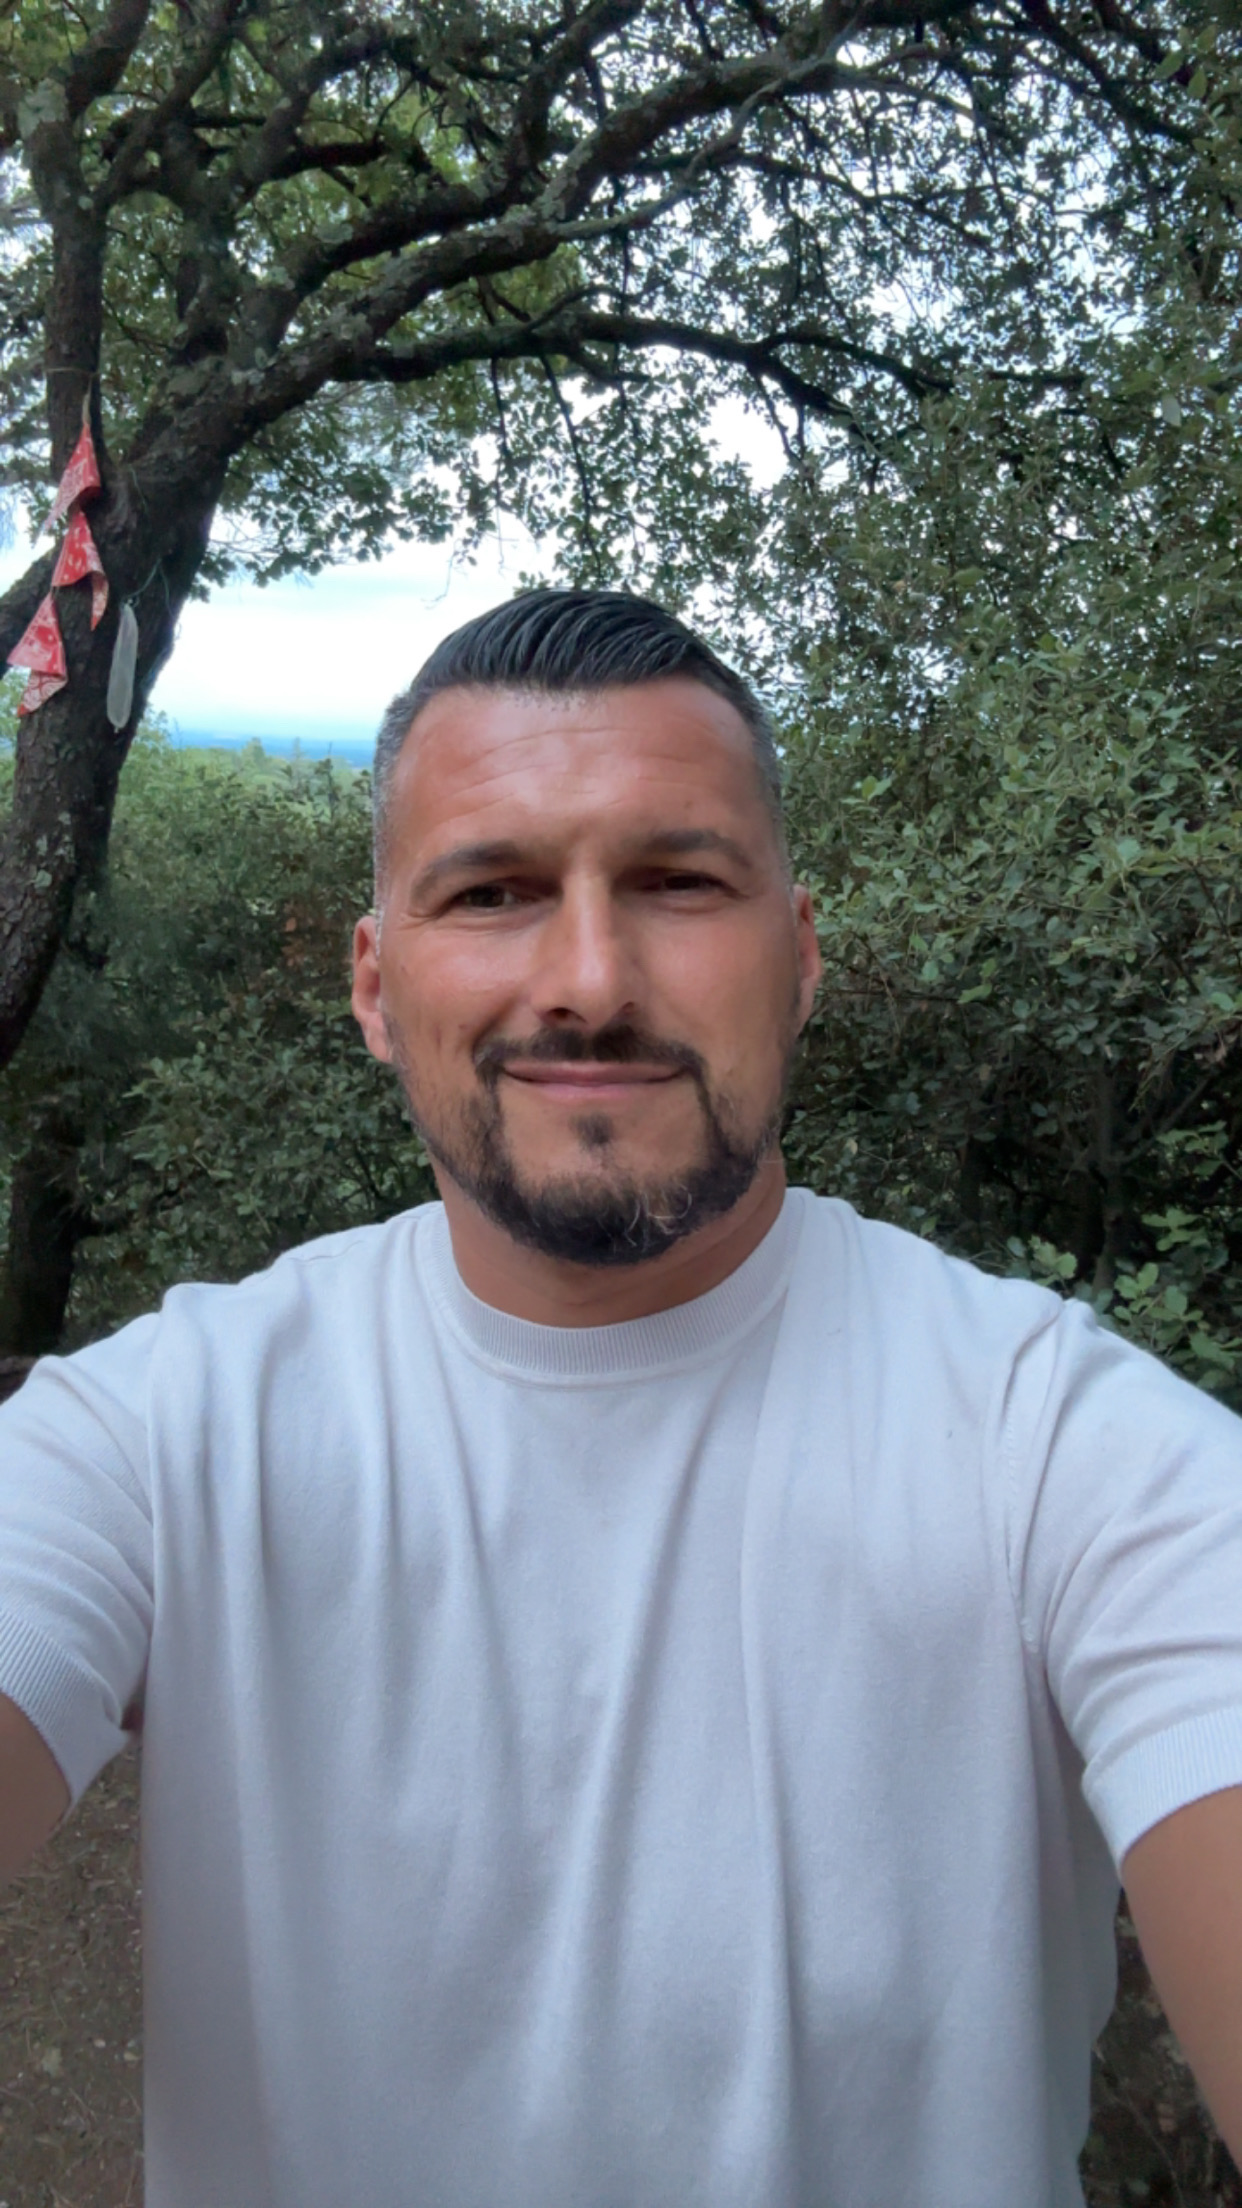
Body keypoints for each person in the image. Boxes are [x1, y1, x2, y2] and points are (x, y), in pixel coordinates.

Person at [1, 587, 1240, 2208]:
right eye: (492, 892)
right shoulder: (159, 1441)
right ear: (373, 985)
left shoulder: (1066, 1450)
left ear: (799, 960)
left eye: (678, 882)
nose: (588, 980)